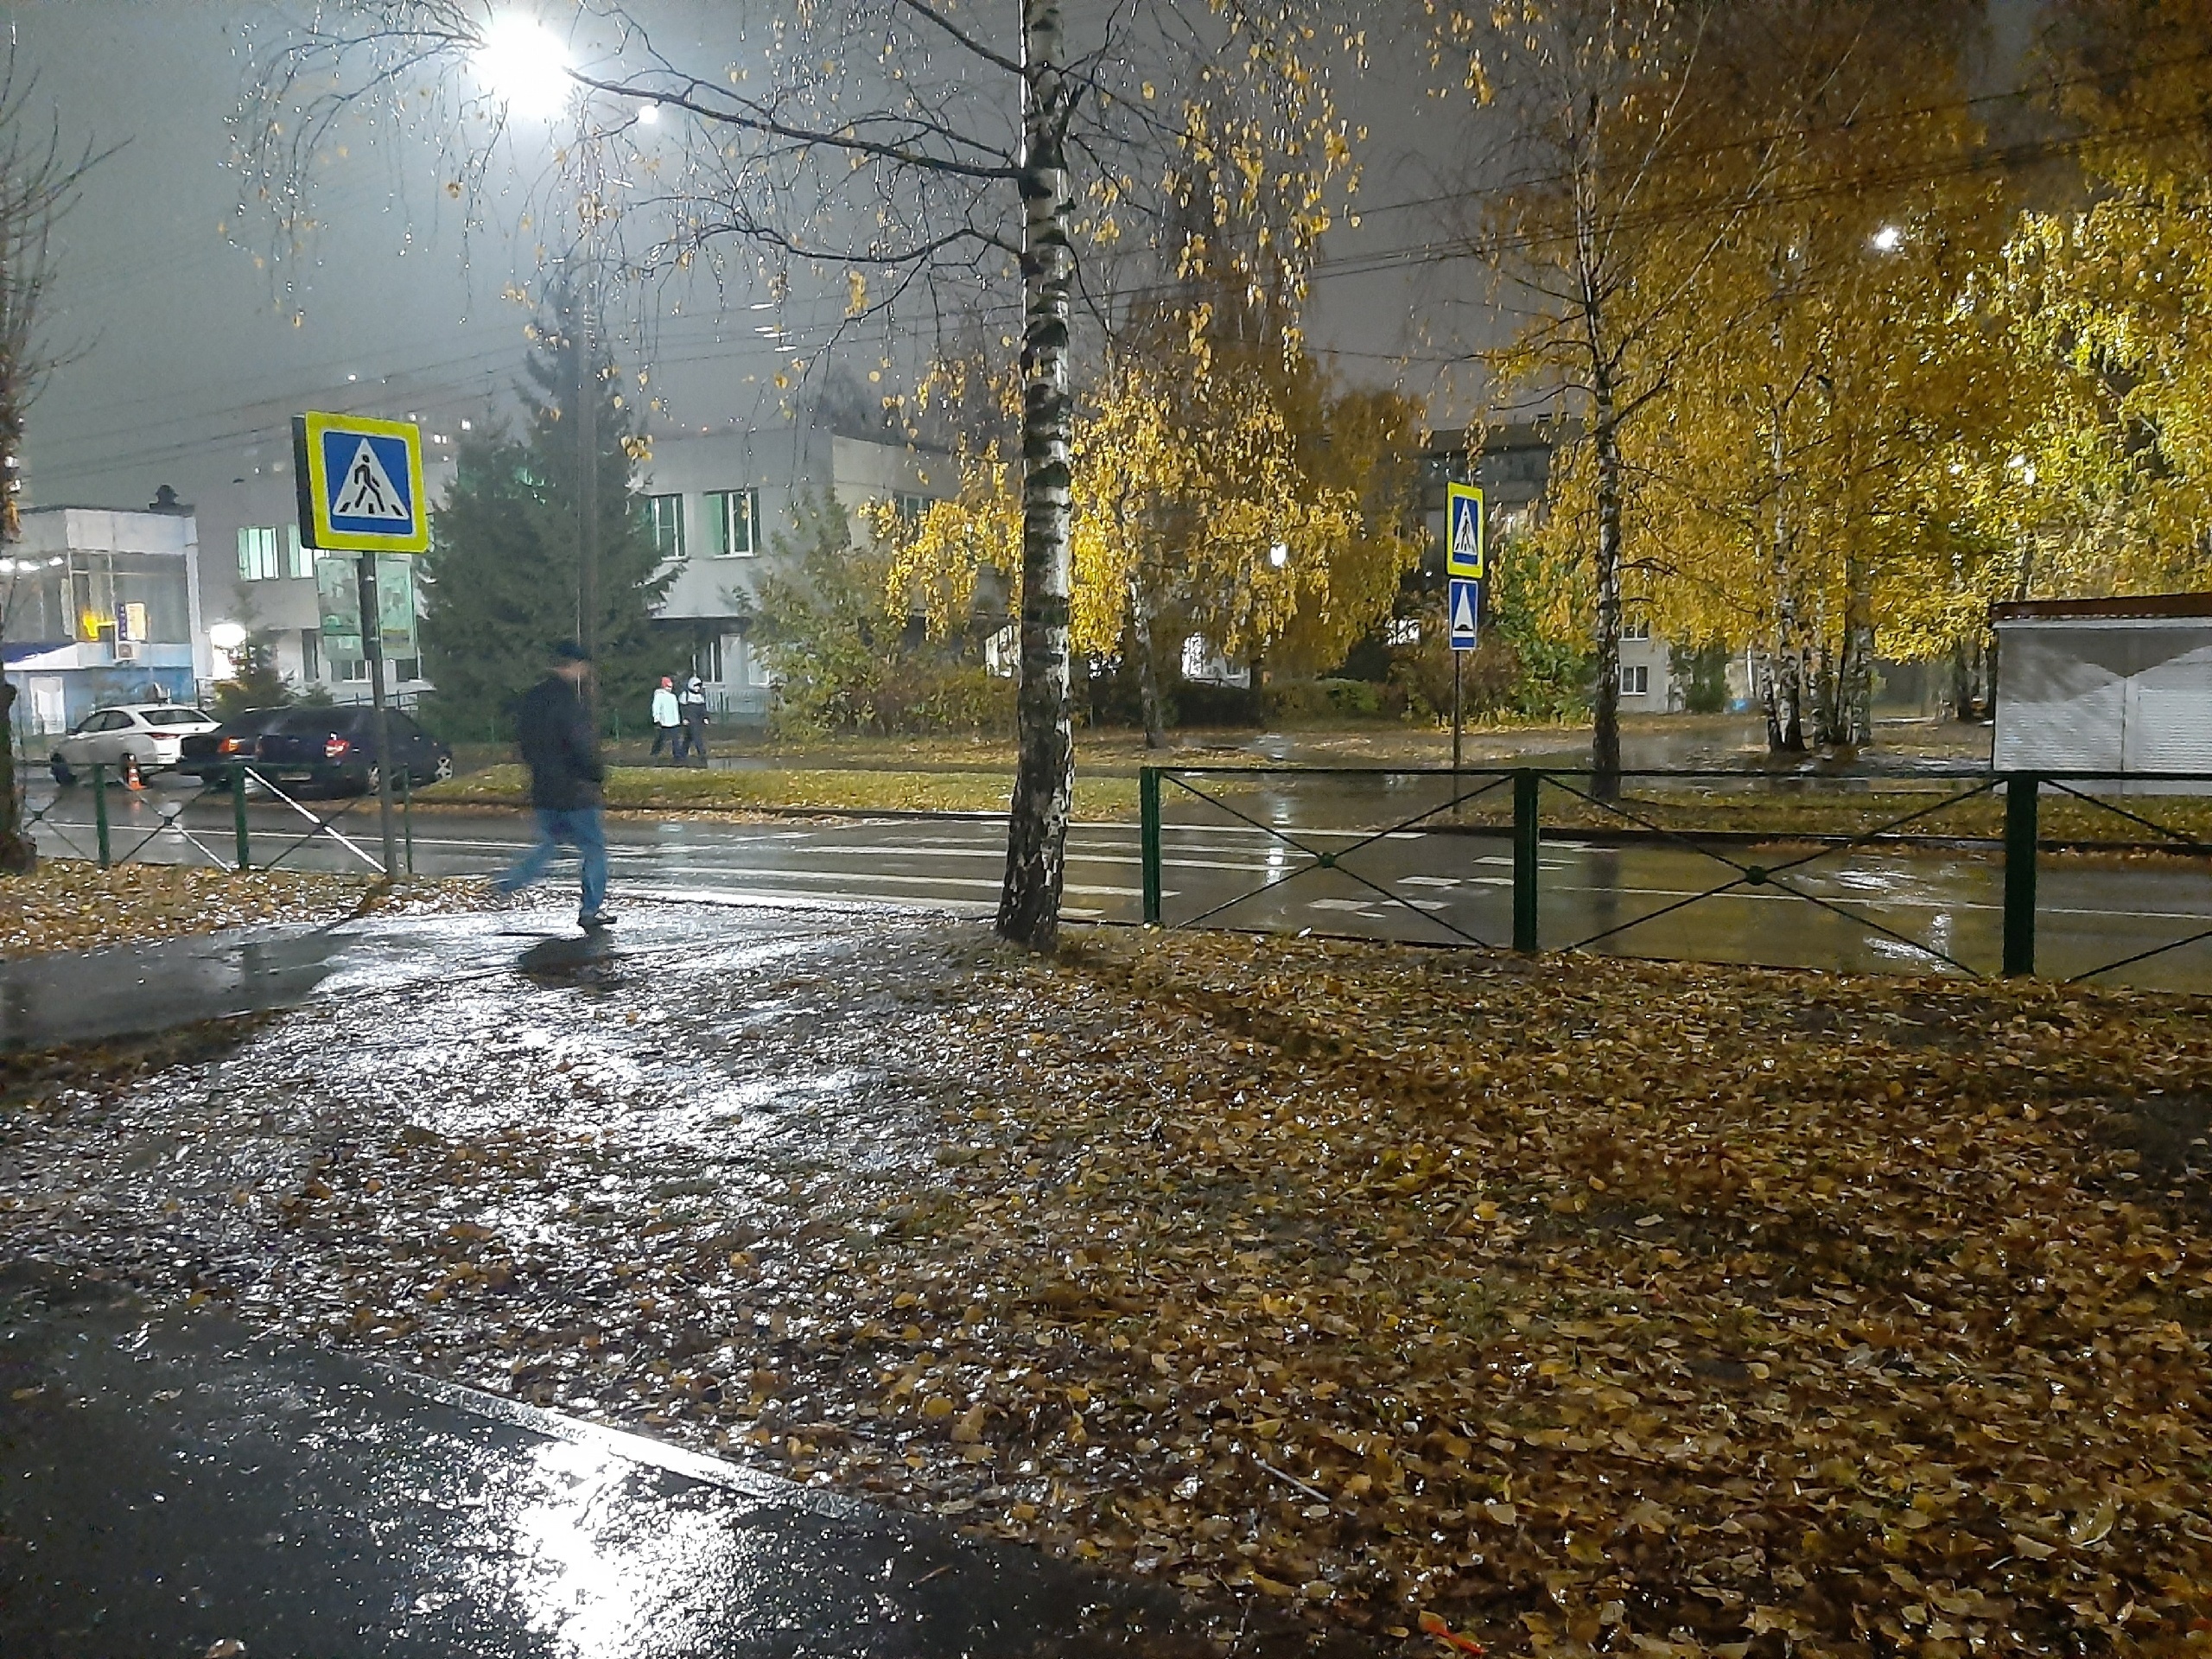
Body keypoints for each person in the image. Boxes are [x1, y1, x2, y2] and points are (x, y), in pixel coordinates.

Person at [494, 641, 613, 930]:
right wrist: (597, 774)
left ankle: (509, 883)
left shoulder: (533, 699)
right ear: (574, 666)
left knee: (550, 842)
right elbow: (581, 745)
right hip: (575, 790)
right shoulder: (570, 703)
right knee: (594, 848)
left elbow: (524, 743)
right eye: (583, 667)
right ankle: (591, 909)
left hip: (544, 787)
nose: (584, 673)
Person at [677, 674, 710, 766]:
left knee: (688, 738)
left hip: (698, 720)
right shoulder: (685, 696)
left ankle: (682, 754)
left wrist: (705, 717)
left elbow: (703, 709)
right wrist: (684, 718)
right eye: (696, 686)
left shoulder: (700, 697)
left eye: (699, 686)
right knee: (697, 737)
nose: (697, 688)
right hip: (690, 720)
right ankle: (702, 754)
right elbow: (682, 709)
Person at [649, 675, 680, 760]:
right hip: (664, 722)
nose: (670, 688)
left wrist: (678, 720)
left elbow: (675, 709)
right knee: (661, 739)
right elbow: (656, 707)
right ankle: (655, 752)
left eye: (671, 686)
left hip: (674, 722)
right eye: (668, 686)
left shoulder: (673, 696)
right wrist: (657, 719)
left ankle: (677, 755)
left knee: (676, 740)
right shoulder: (659, 696)